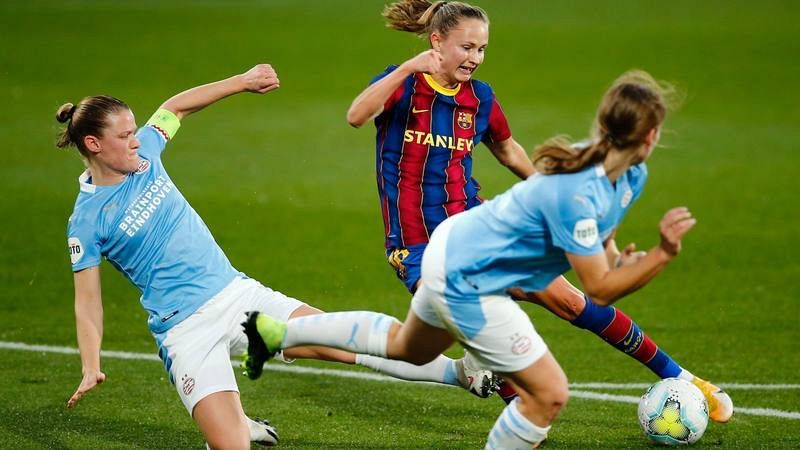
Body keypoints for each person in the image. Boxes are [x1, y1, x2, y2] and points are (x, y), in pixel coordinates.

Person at [243, 69, 710, 448]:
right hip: (471, 278)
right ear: (650, 136)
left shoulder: (622, 173)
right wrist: (664, 254)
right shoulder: (578, 189)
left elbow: (603, 235)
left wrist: (617, 255)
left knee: (411, 347)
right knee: (548, 395)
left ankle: (278, 331)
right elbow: (600, 290)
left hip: (451, 248)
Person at [59, 64, 496, 450]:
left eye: (135, 131)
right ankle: (235, 424)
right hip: (184, 332)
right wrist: (91, 365)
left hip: (237, 297)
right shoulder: (88, 221)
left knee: (338, 344)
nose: (137, 141)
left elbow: (176, 108)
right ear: (95, 145)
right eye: (125, 136)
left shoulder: (146, 156)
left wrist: (242, 82)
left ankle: (461, 373)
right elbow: (87, 301)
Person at [347, 0, 732, 422]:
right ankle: (517, 407)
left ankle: (683, 377)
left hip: (481, 232)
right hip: (418, 245)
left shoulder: (480, 98)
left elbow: (508, 149)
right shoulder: (402, 85)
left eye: (482, 49)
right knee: (461, 323)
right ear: (437, 41)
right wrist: (408, 67)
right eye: (467, 47)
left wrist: (552, 191)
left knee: (570, 302)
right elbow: (356, 116)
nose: (475, 58)